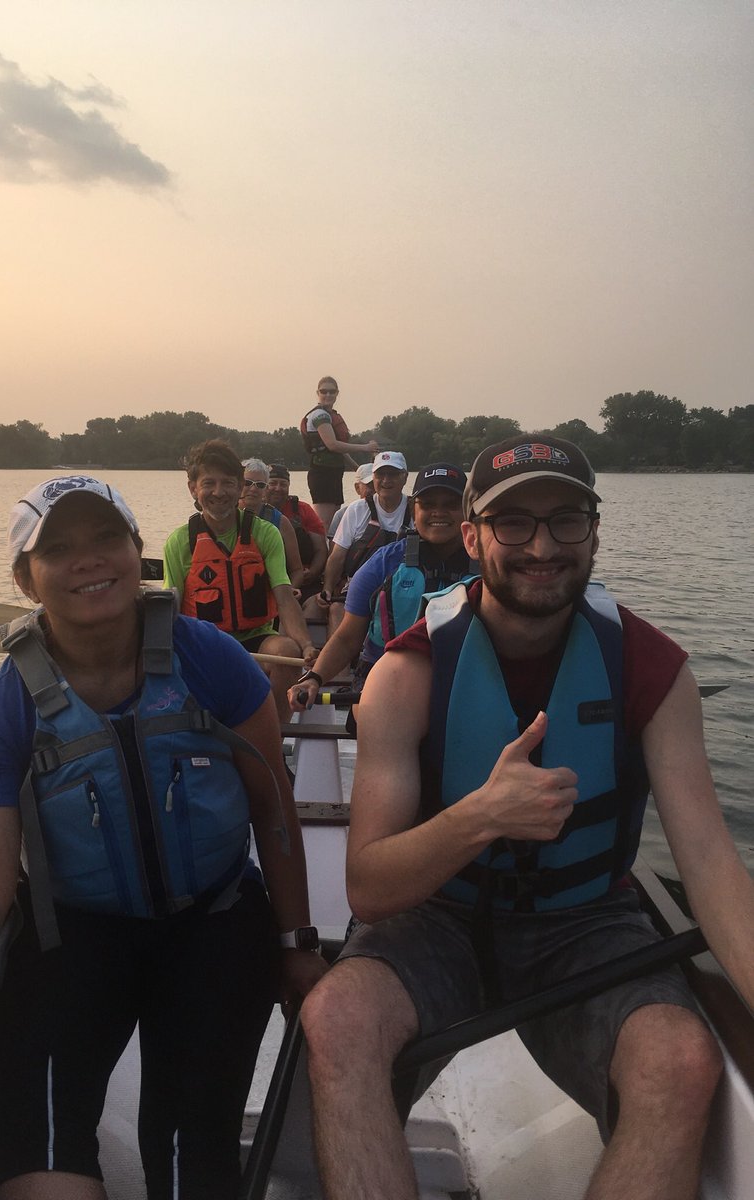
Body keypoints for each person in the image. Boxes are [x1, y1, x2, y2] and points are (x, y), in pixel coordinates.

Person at [301, 435, 754, 1200]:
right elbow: (371, 890)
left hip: (584, 924)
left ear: (596, 533)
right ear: (472, 536)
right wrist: (477, 817)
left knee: (681, 1061)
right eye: (514, 524)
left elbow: (711, 867)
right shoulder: (405, 676)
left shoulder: (654, 671)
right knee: (337, 1020)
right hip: (435, 918)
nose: (542, 546)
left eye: (566, 520)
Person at [0, 474, 326, 1199]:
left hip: (215, 922)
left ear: (138, 552)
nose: (89, 559)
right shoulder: (1, 712)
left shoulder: (213, 662)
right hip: (73, 937)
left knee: (190, 1162)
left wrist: (296, 946)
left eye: (107, 538)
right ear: (25, 577)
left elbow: (274, 813)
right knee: (39, 1167)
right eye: (59, 548)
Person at [289, 464, 470, 714]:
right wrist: (314, 678)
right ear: (413, 510)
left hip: (461, 681)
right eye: (428, 504)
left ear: (468, 509)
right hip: (386, 679)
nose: (439, 512)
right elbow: (347, 638)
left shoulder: (487, 564)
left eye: (451, 504)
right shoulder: (385, 562)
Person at [162, 440, 319, 721]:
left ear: (240, 488)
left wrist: (306, 645)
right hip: (205, 642)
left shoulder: (265, 534)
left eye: (228, 483)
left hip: (256, 637)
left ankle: (273, 736)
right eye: (209, 483)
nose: (219, 492)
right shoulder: (179, 542)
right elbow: (170, 608)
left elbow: (284, 597)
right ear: (193, 489)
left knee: (287, 650)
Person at [314, 451, 413, 637]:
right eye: (380, 475)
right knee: (336, 610)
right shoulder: (356, 510)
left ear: (405, 477)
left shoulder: (415, 509)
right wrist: (327, 588)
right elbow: (337, 556)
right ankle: (338, 664)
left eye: (392, 474)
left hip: (404, 588)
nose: (385, 480)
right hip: (358, 587)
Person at [300, 376, 380, 527]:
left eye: (332, 391)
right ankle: (320, 550)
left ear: (337, 393)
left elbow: (340, 451)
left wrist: (358, 470)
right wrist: (366, 447)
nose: (328, 395)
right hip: (322, 474)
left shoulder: (331, 416)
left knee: (333, 524)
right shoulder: (320, 415)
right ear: (318, 392)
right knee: (323, 525)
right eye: (324, 391)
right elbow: (333, 445)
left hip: (334, 474)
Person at [265, 463, 328, 601]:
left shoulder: (303, 510)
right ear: (264, 485)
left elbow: (321, 549)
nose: (278, 488)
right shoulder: (254, 511)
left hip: (303, 581)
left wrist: (312, 572)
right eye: (272, 483)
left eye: (283, 484)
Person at [240, 458, 305, 591]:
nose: (253, 489)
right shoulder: (224, 517)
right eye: (247, 483)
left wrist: (289, 592)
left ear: (265, 490)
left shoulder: (281, 522)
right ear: (236, 484)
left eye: (260, 485)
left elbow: (297, 570)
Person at [325, 463, 374, 542]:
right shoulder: (342, 515)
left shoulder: (391, 514)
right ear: (357, 488)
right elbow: (333, 550)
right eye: (370, 485)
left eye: (378, 485)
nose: (375, 490)